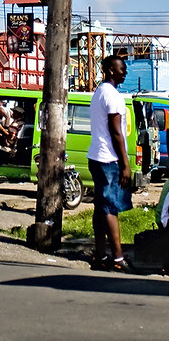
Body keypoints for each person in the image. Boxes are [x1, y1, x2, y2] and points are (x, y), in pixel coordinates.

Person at [87, 54, 134, 272]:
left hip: (96, 156)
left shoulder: (99, 92)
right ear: (111, 70)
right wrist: (125, 164)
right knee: (110, 208)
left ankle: (100, 254)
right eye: (121, 68)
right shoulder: (113, 96)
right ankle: (117, 257)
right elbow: (116, 132)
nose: (125, 71)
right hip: (108, 159)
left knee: (100, 207)